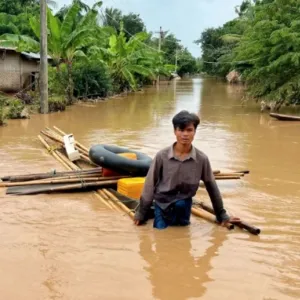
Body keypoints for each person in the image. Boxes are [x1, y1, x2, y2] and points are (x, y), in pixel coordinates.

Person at [134, 110, 240, 229]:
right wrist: (141, 213)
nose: (185, 134)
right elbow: (150, 184)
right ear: (175, 131)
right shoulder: (162, 156)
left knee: (184, 236)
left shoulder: (201, 159)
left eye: (189, 130)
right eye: (181, 130)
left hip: (184, 204)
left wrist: (222, 215)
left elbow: (211, 186)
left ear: (194, 132)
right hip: (162, 204)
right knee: (160, 234)